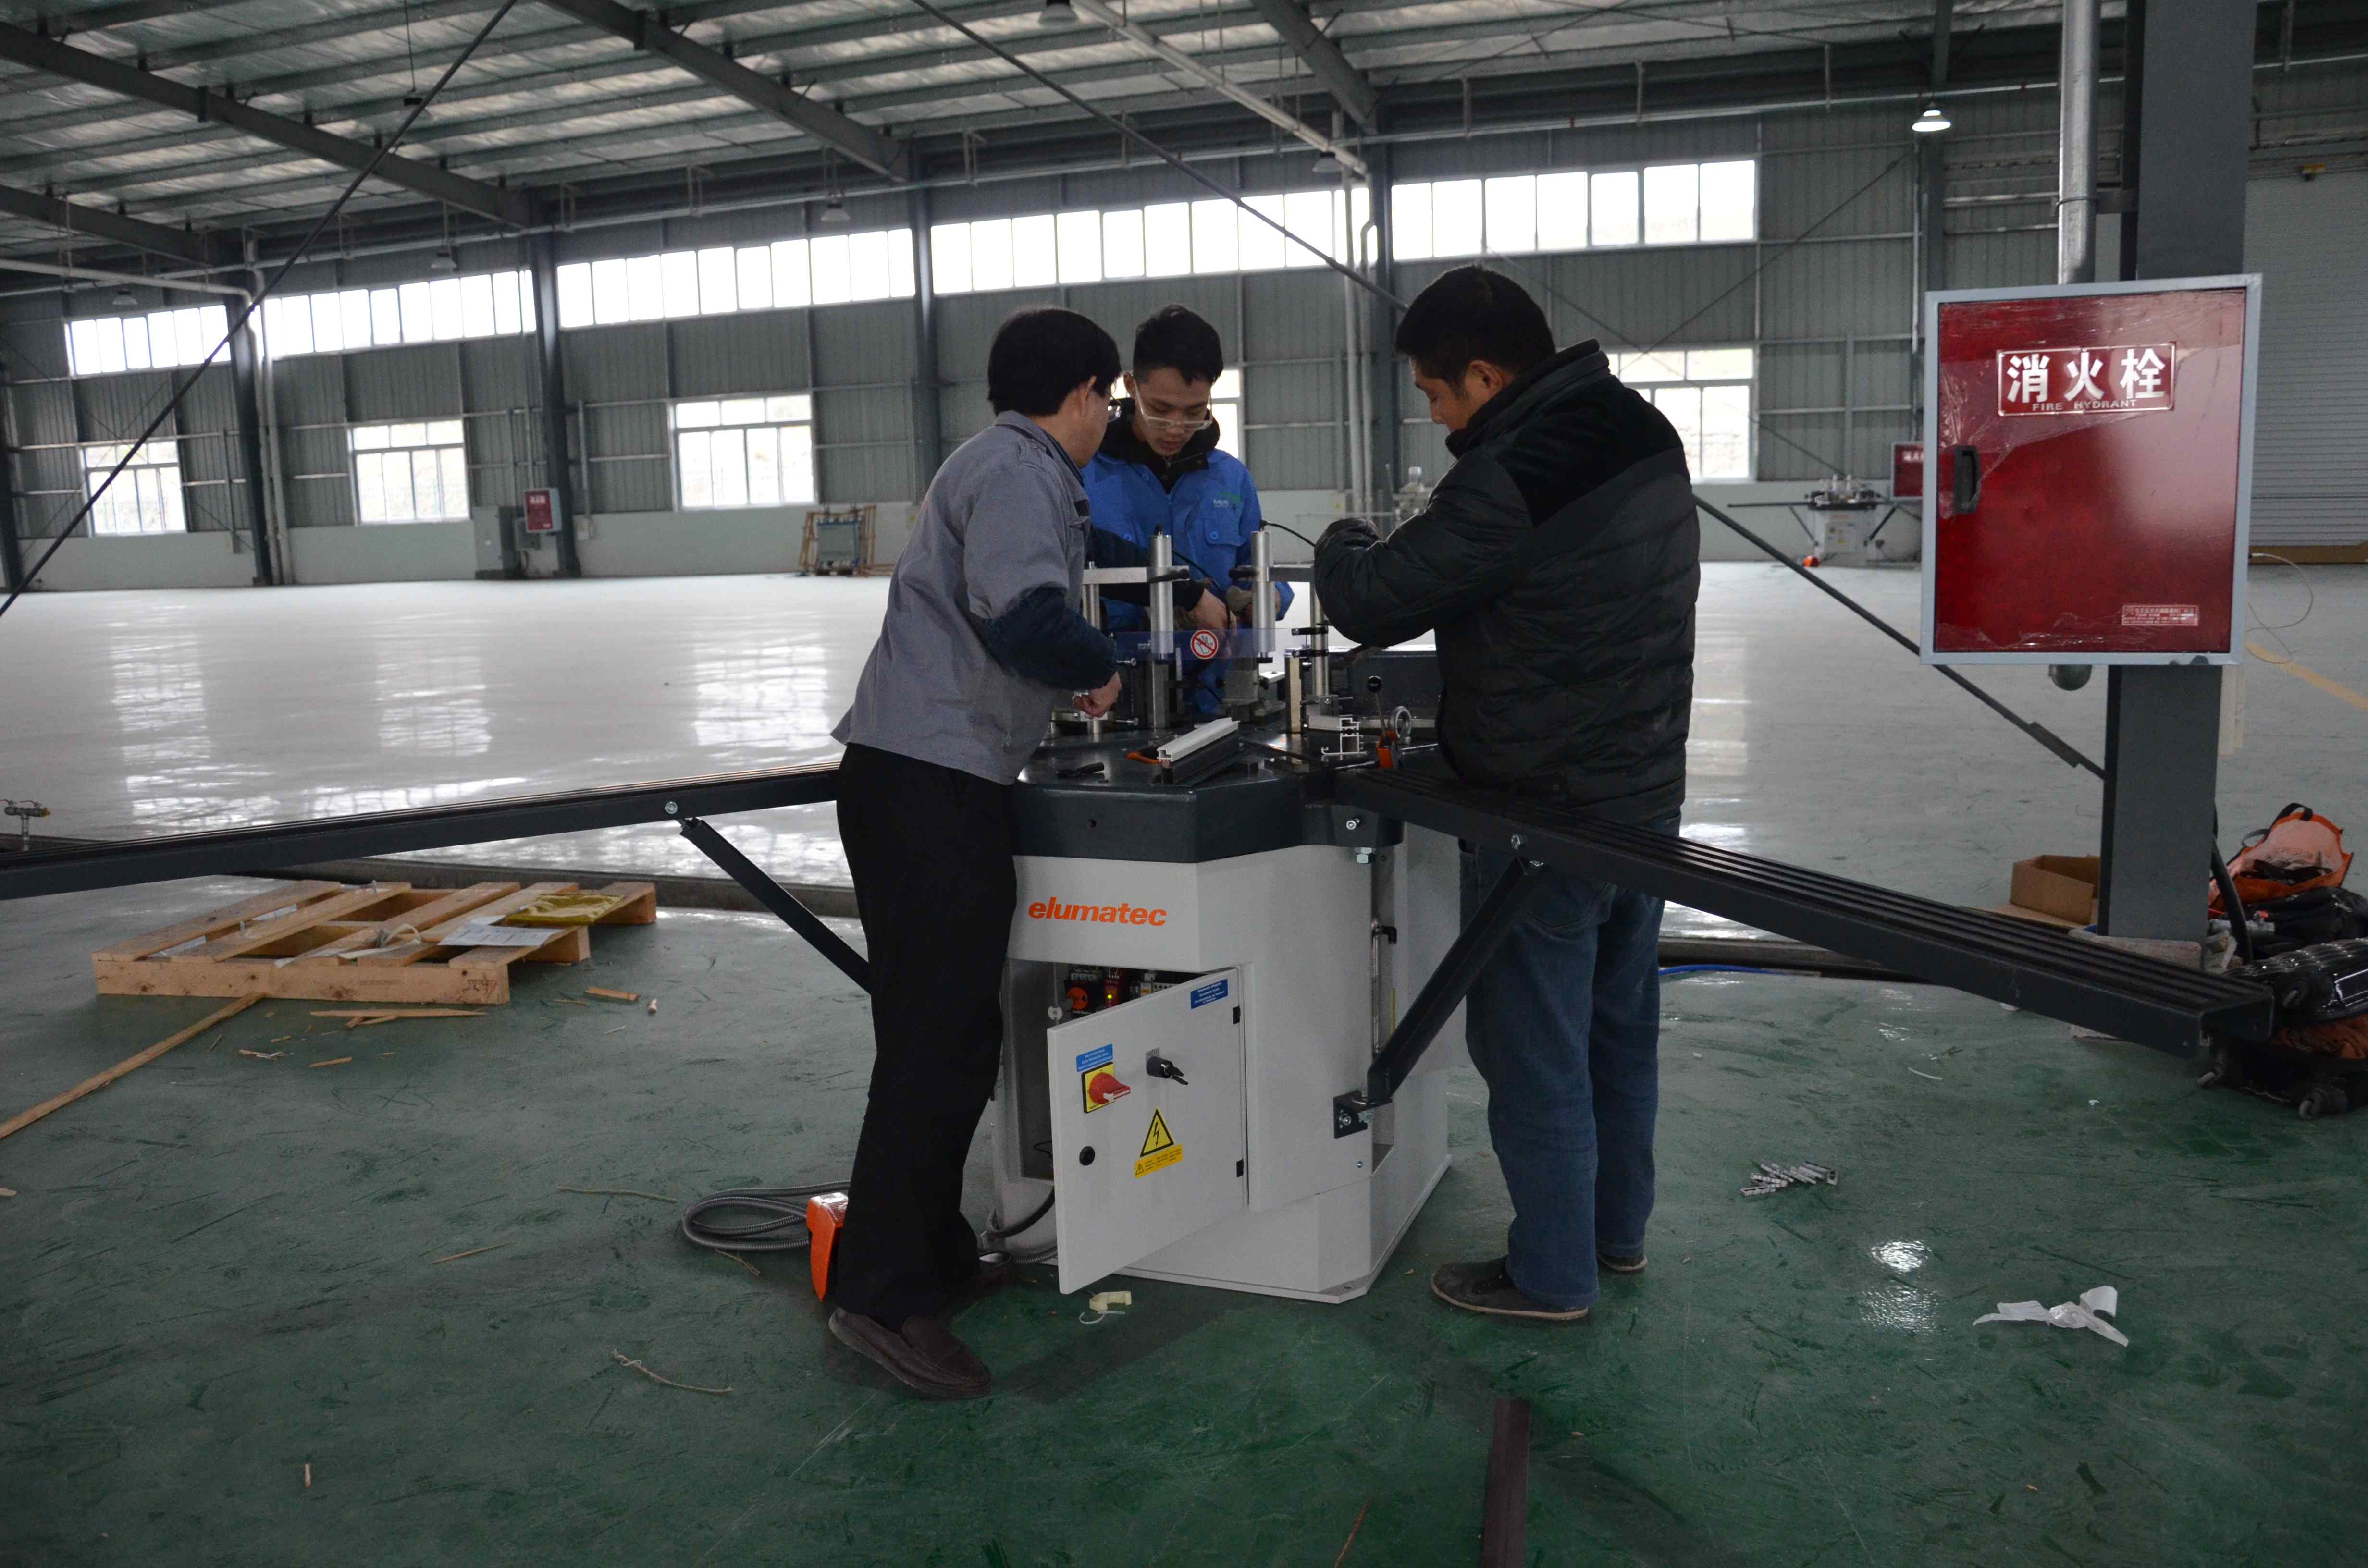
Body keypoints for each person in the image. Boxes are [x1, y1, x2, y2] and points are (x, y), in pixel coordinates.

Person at [1312, 266, 1700, 1324]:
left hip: (1544, 812)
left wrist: (1345, 535)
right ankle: (1614, 1235)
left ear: (1484, 376)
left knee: (1532, 1047)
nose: (1438, 418)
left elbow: (1372, 603)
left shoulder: (1513, 472)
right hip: (1644, 792)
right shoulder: (1643, 430)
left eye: (1437, 395)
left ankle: (1553, 1276)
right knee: (1618, 1027)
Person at [826, 307, 1137, 1399]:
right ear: (1085, 393)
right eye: (1113, 401)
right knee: (933, 1047)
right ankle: (879, 1294)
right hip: (928, 787)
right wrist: (1099, 665)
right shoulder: (1015, 470)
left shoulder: (1008, 465)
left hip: (933, 780)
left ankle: (935, 1256)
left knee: (950, 1039)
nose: (1110, 419)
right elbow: (1023, 612)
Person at [1084, 305, 1287, 714]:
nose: (1176, 428)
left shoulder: (1231, 479)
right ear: (1130, 386)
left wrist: (1266, 598)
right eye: (1161, 410)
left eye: (1194, 412)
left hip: (1220, 704)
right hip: (1113, 706)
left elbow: (1258, 571)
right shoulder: (1085, 474)